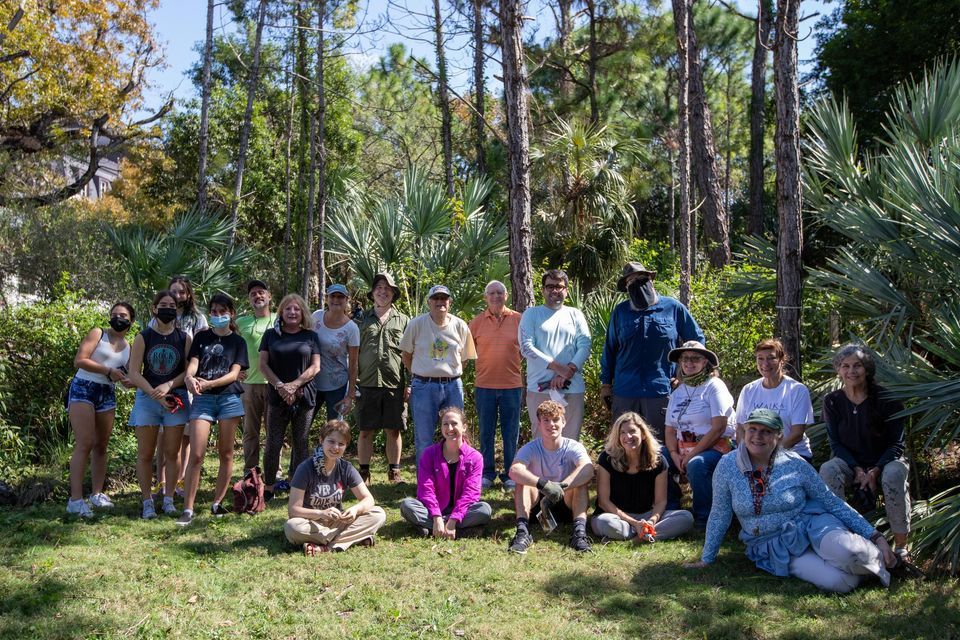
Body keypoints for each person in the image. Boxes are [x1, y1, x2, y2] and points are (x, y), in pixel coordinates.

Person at [688, 408, 898, 593]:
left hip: (812, 524)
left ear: (778, 436)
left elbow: (831, 501)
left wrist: (875, 535)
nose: (757, 436)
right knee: (841, 582)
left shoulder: (794, 463)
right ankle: (870, 568)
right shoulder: (727, 466)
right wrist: (707, 558)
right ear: (744, 432)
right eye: (752, 429)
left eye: (766, 431)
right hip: (774, 543)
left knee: (852, 554)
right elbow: (719, 513)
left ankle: (884, 558)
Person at [819, 344, 911, 557]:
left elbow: (897, 444)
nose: (851, 371)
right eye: (845, 366)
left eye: (857, 365)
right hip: (850, 462)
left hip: (887, 460)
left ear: (867, 368)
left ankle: (901, 546)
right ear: (839, 370)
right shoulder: (832, 401)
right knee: (828, 469)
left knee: (894, 473)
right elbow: (835, 444)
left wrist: (874, 470)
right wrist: (858, 470)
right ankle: (839, 539)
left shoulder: (887, 399)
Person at [600, 262, 704, 440]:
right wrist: (605, 385)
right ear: (626, 287)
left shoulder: (673, 308)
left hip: (660, 390)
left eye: (640, 278)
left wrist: (683, 375)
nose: (636, 283)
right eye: (631, 281)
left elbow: (697, 341)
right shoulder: (621, 312)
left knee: (659, 444)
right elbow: (610, 349)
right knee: (624, 442)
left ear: (650, 280)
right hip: (625, 390)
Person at [177, 294, 249, 526]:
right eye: (214, 311)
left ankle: (217, 503)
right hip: (203, 400)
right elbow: (193, 365)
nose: (217, 316)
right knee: (196, 455)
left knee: (226, 453)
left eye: (222, 311)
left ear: (231, 313)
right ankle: (188, 508)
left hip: (229, 399)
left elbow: (233, 373)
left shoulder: (238, 341)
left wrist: (209, 383)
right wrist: (189, 378)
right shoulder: (202, 337)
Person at [126, 290, 191, 519]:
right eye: (163, 304)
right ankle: (147, 502)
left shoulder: (184, 338)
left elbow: (187, 371)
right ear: (154, 308)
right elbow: (134, 373)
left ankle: (169, 499)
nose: (168, 308)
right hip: (147, 400)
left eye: (172, 305)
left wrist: (169, 385)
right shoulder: (143, 337)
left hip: (176, 399)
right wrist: (156, 394)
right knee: (145, 454)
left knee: (172, 453)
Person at [65, 302, 134, 517]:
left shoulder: (129, 345)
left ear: (131, 320)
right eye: (114, 314)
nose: (117, 318)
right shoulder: (98, 333)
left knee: (102, 445)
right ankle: (75, 500)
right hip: (84, 388)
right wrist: (108, 370)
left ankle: (97, 494)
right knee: (85, 443)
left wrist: (132, 381)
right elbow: (80, 360)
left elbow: (126, 376)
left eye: (122, 315)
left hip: (107, 392)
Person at [400, 284, 477, 465]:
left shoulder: (460, 325)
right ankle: (425, 483)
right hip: (423, 386)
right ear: (429, 302)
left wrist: (449, 373)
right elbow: (406, 356)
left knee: (456, 434)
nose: (440, 302)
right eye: (436, 299)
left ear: (449, 302)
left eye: (444, 298)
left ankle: (454, 478)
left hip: (453, 386)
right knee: (424, 437)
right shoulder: (416, 324)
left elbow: (464, 358)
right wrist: (422, 374)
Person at [284, 420, 386, 554]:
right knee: (292, 527)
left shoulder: (346, 468)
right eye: (331, 441)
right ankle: (352, 539)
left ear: (345, 446)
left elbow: (369, 499)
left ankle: (326, 547)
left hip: (337, 522)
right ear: (321, 440)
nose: (335, 447)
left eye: (341, 444)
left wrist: (355, 509)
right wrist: (321, 513)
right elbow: (293, 510)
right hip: (311, 523)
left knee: (378, 514)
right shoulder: (305, 469)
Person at [663, 341, 735, 529]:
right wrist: (674, 454)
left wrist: (692, 455)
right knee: (655, 457)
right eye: (685, 358)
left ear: (705, 362)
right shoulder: (678, 391)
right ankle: (672, 506)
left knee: (697, 464)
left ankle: (705, 516)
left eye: (695, 358)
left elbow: (719, 427)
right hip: (682, 447)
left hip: (714, 447)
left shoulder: (714, 386)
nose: (689, 362)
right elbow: (670, 430)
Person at [507, 400, 594, 554]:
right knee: (521, 482)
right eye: (546, 420)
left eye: (555, 419)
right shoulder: (530, 448)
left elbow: (588, 470)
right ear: (539, 424)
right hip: (538, 505)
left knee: (582, 483)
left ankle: (579, 534)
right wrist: (544, 485)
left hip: (567, 501)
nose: (551, 424)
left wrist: (561, 487)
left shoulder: (574, 446)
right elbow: (514, 470)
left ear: (564, 422)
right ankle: (522, 533)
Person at [592, 412, 694, 542]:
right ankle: (644, 534)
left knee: (686, 517)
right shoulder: (607, 459)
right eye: (622, 432)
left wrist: (651, 521)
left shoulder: (658, 461)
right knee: (603, 522)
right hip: (616, 516)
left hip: (646, 515)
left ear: (643, 434)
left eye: (632, 431)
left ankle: (638, 536)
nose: (628, 436)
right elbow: (603, 502)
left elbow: (660, 501)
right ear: (617, 437)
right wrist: (634, 523)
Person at [259, 293, 322, 500]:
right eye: (288, 309)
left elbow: (315, 366)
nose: (292, 312)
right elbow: (263, 365)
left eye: (296, 309)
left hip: (304, 396)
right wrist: (280, 386)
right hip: (277, 397)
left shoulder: (310, 336)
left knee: (301, 443)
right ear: (281, 312)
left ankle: (298, 487)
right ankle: (268, 487)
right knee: (273, 443)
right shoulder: (270, 335)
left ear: (302, 312)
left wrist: (294, 386)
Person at [518, 269, 591, 439]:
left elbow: (585, 344)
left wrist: (569, 371)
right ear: (543, 290)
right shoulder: (531, 314)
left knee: (571, 438)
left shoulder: (575, 314)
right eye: (550, 286)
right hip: (540, 388)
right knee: (542, 438)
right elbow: (526, 347)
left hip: (572, 387)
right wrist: (558, 368)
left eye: (559, 286)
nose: (554, 290)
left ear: (566, 289)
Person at [152, 275, 207, 499]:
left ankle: (180, 482)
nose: (177, 296)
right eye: (173, 291)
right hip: (162, 381)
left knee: (184, 436)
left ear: (188, 294)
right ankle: (161, 482)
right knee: (162, 436)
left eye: (181, 292)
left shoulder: (197, 318)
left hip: (187, 382)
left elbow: (203, 347)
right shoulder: (158, 317)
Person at [400, 407, 492, 538]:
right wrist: (437, 516)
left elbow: (471, 494)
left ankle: (434, 529)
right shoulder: (429, 454)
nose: (450, 428)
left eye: (454, 423)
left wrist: (454, 519)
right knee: (407, 505)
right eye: (445, 424)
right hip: (432, 510)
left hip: (462, 511)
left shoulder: (475, 457)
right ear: (441, 427)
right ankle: (454, 530)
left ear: (464, 427)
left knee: (484, 510)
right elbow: (426, 489)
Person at [354, 273, 409, 484]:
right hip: (366, 382)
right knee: (365, 431)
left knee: (393, 430)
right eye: (379, 287)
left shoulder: (404, 320)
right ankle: (364, 473)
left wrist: (410, 383)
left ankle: (394, 472)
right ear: (372, 293)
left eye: (387, 288)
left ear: (393, 293)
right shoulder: (361, 319)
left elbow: (410, 354)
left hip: (394, 383)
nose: (383, 291)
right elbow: (353, 352)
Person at [468, 280, 523, 490]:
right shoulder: (476, 323)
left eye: (500, 293)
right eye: (491, 293)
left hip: (512, 385)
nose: (496, 296)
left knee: (511, 433)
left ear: (506, 296)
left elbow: (526, 350)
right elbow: (465, 352)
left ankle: (510, 474)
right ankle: (487, 473)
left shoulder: (519, 319)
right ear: (485, 298)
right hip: (484, 385)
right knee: (486, 432)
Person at [735, 338, 814, 462]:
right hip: (754, 456)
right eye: (760, 358)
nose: (765, 364)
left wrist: (769, 456)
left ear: (782, 361)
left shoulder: (797, 390)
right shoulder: (748, 390)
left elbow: (797, 434)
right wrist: (745, 454)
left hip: (792, 454)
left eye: (771, 358)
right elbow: (740, 427)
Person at [236, 279, 276, 473]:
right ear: (249, 300)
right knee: (250, 432)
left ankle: (273, 469)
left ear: (269, 296)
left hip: (274, 383)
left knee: (273, 430)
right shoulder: (241, 322)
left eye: (261, 292)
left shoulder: (280, 318)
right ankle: (250, 470)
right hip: (249, 384)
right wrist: (233, 370)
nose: (258, 296)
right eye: (253, 294)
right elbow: (229, 345)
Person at [311, 284, 360, 420]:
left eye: (340, 297)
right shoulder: (316, 316)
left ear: (346, 300)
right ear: (327, 298)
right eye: (333, 296)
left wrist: (350, 396)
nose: (336, 300)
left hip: (337, 386)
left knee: (334, 428)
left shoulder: (352, 329)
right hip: (312, 382)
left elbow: (354, 364)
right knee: (303, 425)